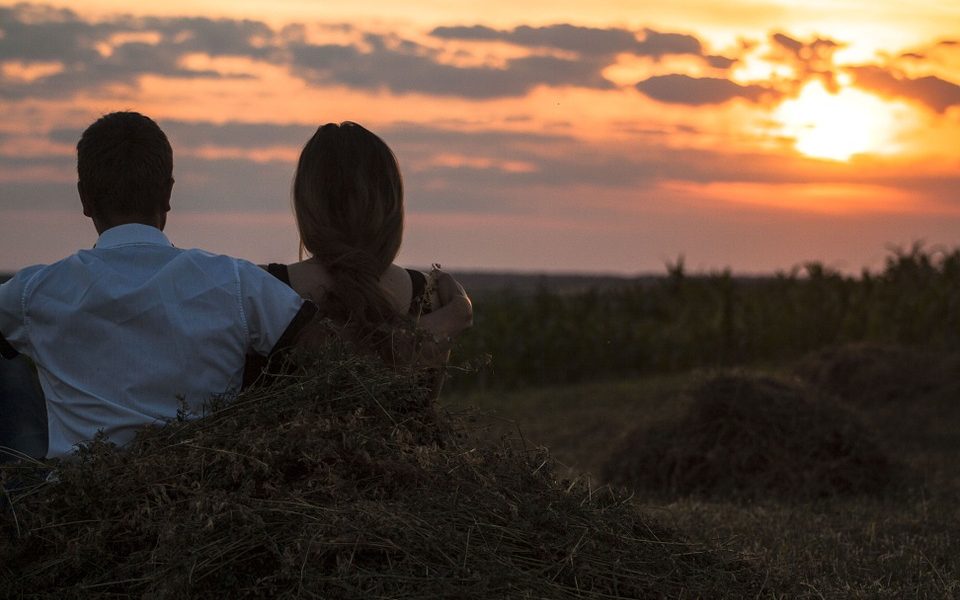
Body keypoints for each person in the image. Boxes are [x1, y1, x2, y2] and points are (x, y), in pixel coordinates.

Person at [0, 111, 317, 461]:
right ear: (168, 194)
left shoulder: (34, 292)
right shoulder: (238, 283)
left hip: (75, 508)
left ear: (84, 199)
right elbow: (322, 353)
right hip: (206, 500)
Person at [261, 121, 472, 367]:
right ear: (391, 204)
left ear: (307, 203)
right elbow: (424, 404)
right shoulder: (430, 297)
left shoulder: (259, 288)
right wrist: (459, 312)